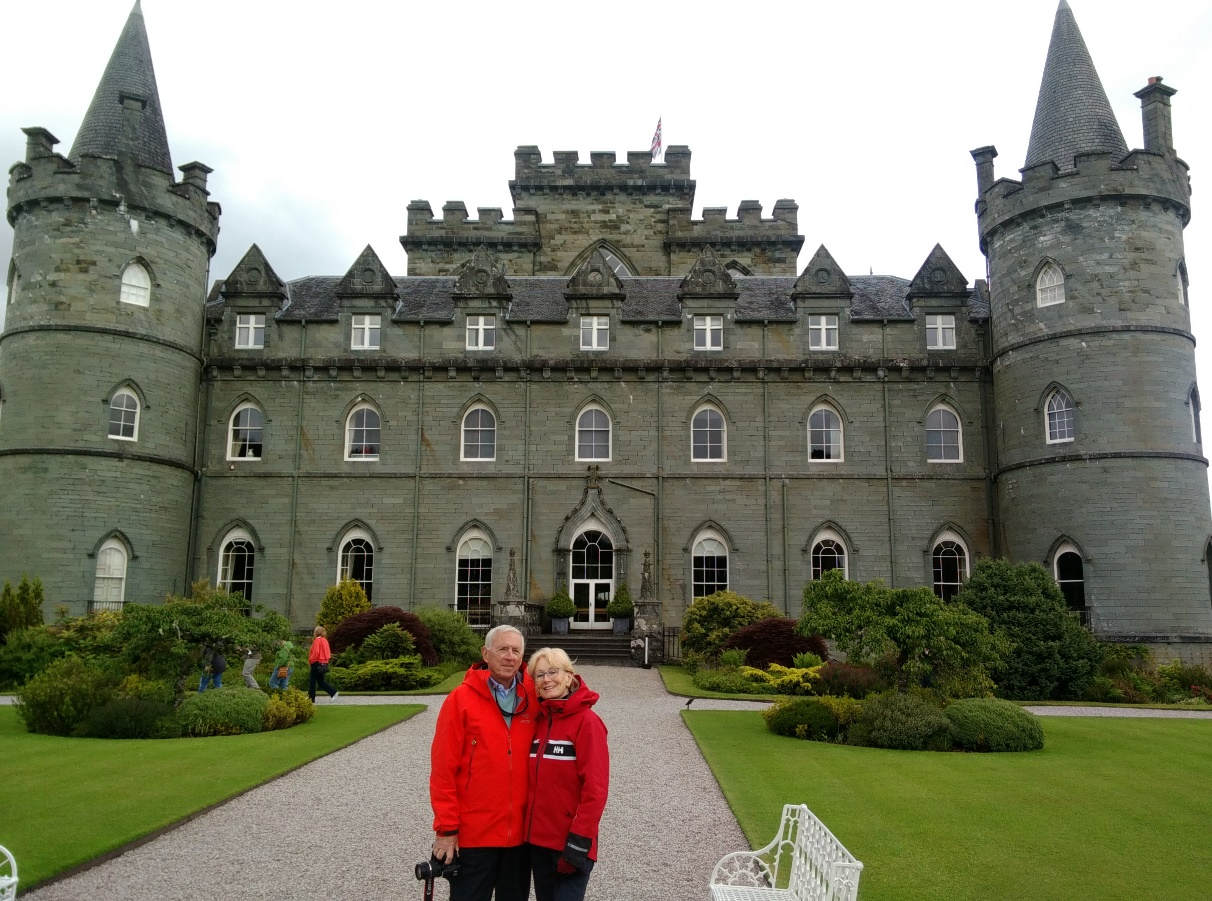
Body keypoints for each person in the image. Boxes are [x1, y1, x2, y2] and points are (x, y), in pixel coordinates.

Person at [430, 625, 538, 901]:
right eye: (502, 649)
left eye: (516, 650)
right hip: (475, 834)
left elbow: (571, 696)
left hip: (520, 837)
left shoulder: (535, 697)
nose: (510, 656)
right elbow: (443, 770)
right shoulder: (460, 699)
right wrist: (446, 829)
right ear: (486, 653)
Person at [523, 648, 609, 901]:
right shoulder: (539, 721)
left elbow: (596, 789)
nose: (547, 679)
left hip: (569, 844)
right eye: (539, 675)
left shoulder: (588, 723)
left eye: (553, 672)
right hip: (539, 843)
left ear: (569, 676)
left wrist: (577, 845)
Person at [308, 626, 339, 702]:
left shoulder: (317, 640)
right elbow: (327, 652)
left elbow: (316, 653)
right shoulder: (325, 640)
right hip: (324, 662)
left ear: (316, 633)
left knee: (312, 680)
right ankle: (333, 692)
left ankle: (311, 698)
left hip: (316, 662)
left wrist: (311, 660)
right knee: (320, 680)